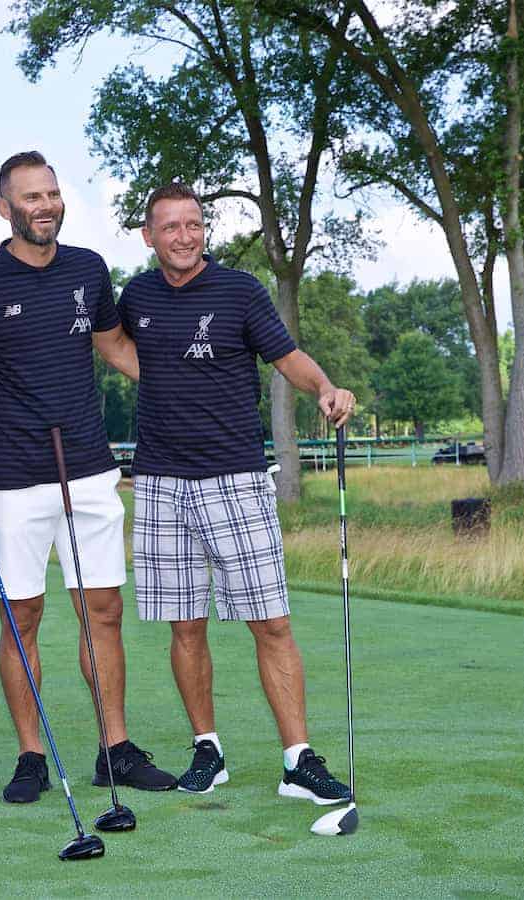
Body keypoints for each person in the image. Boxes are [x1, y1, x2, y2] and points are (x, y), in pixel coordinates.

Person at [115, 182, 355, 803]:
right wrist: (159, 374)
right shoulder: (135, 295)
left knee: (270, 623)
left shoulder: (239, 290)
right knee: (185, 626)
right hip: (162, 483)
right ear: (149, 236)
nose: (185, 236)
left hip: (236, 480)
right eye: (171, 227)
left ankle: (298, 760)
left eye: (194, 224)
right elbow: (108, 341)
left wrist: (325, 387)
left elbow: (289, 357)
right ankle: (208, 750)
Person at [0, 151, 176, 802]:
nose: (45, 204)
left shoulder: (88, 269)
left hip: (89, 467)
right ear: (4, 208)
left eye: (52, 193)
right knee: (21, 616)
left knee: (102, 611)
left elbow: (115, 347)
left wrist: (189, 390)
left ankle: (115, 748)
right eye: (30, 197)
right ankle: (30, 756)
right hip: (15, 476)